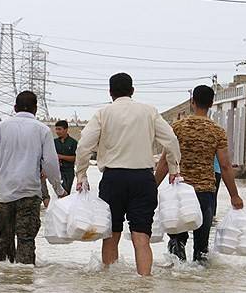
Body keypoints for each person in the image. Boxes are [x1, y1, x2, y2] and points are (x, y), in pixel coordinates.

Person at [75, 73, 181, 276]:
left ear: (110, 92)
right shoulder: (149, 112)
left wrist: (81, 174)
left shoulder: (103, 113)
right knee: (141, 237)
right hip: (143, 179)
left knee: (111, 235)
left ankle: (111, 286)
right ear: (132, 91)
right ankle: (144, 285)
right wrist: (174, 168)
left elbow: (83, 145)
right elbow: (171, 140)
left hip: (113, 180)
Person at [0, 91, 67, 265]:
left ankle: (4, 282)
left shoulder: (2, 127)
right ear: (36, 109)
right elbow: (51, 164)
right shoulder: (43, 130)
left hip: (3, 193)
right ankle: (23, 284)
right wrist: (59, 190)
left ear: (14, 108)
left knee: (4, 239)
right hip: (29, 193)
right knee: (26, 240)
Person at [155, 85, 244, 263]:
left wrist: (151, 188)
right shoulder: (217, 131)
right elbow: (225, 166)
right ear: (211, 104)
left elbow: (165, 161)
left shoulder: (178, 128)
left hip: (179, 193)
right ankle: (200, 285)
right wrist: (235, 196)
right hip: (205, 192)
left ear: (192, 102)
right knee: (202, 248)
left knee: (176, 242)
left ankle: (178, 276)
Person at [54, 120, 78, 194]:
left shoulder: (73, 142)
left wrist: (61, 157)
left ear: (66, 129)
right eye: (56, 129)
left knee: (66, 193)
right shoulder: (53, 142)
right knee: (58, 194)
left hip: (68, 172)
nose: (57, 131)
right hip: (57, 171)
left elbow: (75, 158)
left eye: (59, 129)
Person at [212, 155, 221, 222]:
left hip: (212, 172)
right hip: (217, 172)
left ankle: (212, 215)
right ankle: (213, 215)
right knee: (214, 195)